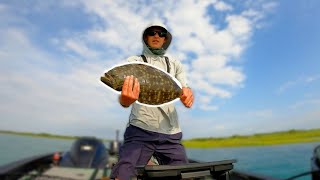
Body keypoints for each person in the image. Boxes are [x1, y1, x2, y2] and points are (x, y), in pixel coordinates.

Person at [110, 22, 194, 180]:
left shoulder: (175, 63)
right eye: (152, 32)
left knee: (183, 174)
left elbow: (184, 87)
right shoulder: (134, 61)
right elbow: (124, 99)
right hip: (140, 129)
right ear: (146, 37)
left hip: (171, 133)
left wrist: (186, 93)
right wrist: (125, 100)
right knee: (123, 173)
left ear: (165, 40)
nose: (156, 36)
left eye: (161, 33)